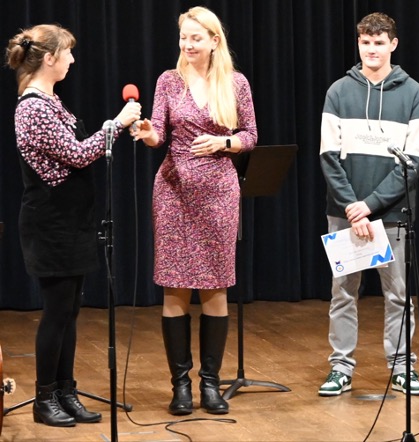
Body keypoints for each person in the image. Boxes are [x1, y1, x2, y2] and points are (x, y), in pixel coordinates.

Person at [6, 24, 141, 426]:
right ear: (49, 58)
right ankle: (44, 397)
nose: (72, 59)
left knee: (70, 310)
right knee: (56, 311)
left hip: (71, 222)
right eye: (67, 52)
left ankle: (67, 390)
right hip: (50, 225)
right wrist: (116, 123)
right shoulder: (32, 107)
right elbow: (77, 154)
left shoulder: (51, 102)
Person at [131, 6, 257, 415]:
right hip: (173, 190)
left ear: (214, 41)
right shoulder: (169, 81)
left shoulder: (236, 83)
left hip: (219, 191)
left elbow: (251, 135)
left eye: (195, 38)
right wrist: (149, 134)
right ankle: (180, 386)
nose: (187, 45)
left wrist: (224, 144)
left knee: (215, 286)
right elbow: (159, 134)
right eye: (184, 38)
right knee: (175, 286)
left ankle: (210, 385)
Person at [318, 12, 419, 397]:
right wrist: (353, 207)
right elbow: (329, 157)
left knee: (397, 295)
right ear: (359, 44)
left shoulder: (413, 93)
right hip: (344, 215)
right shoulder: (338, 91)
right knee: (343, 293)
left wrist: (371, 205)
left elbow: (413, 162)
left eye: (379, 42)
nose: (372, 49)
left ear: (393, 45)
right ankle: (340, 368)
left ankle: (401, 367)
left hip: (393, 215)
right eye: (366, 42)